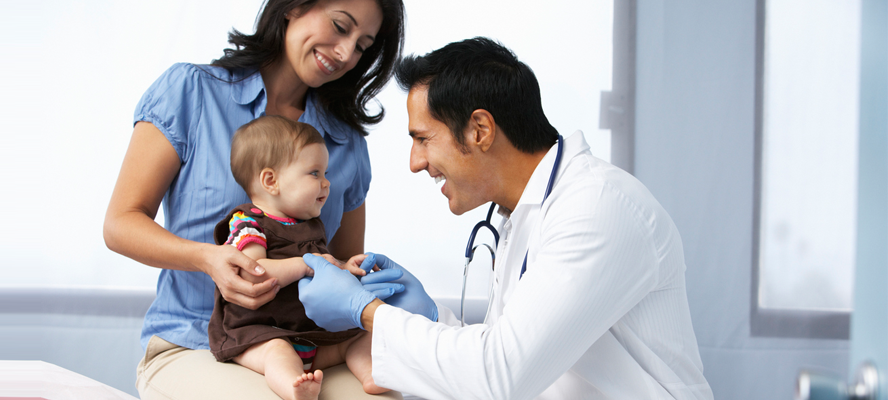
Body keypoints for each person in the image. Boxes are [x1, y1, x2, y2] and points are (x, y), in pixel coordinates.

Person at [297, 37, 715, 399]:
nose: (415, 162)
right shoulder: (521, 214)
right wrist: (425, 315)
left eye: (423, 139)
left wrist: (365, 311)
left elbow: (501, 376)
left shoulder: (598, 209)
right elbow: (502, 352)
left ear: (479, 129)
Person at [102, 0, 405, 399]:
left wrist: (363, 276)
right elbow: (121, 223)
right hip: (196, 342)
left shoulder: (346, 143)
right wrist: (207, 259)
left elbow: (342, 271)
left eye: (363, 45)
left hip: (311, 347)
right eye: (339, 25)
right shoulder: (192, 92)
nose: (347, 53)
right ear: (293, 7)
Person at [209, 115, 391, 400]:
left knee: (361, 335)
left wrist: (344, 267)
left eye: (326, 173)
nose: (327, 183)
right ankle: (295, 387)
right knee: (277, 354)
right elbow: (251, 271)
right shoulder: (248, 223)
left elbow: (323, 267)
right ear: (271, 181)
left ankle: (370, 374)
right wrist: (306, 264)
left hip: (312, 334)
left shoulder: (310, 226)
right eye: (315, 173)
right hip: (259, 332)